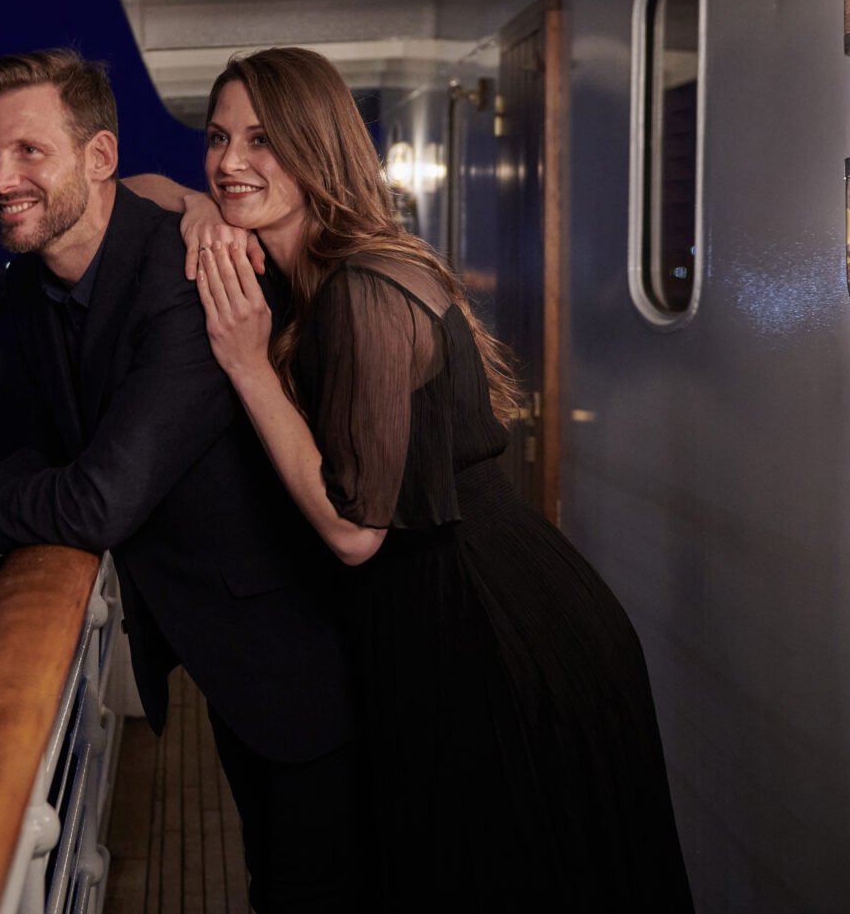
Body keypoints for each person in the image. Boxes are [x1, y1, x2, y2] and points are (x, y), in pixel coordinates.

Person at [166, 46, 693, 909]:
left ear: (319, 146)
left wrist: (247, 365)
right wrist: (195, 209)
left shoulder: (361, 293)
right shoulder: (327, 274)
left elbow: (353, 528)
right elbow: (149, 190)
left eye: (263, 140)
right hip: (453, 617)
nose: (229, 161)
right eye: (218, 138)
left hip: (493, 630)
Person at [0, 48, 360, 911]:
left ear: (99, 161)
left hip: (313, 656)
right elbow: (57, 451)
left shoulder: (189, 276)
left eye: (28, 152)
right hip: (235, 659)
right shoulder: (35, 283)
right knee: (272, 883)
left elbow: (100, 497)